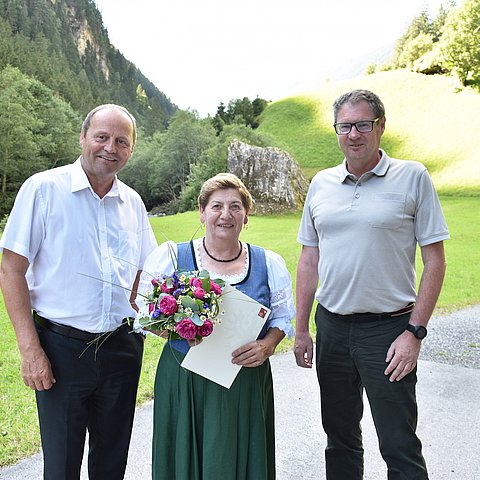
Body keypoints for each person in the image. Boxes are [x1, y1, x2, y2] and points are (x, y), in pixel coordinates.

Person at [294, 89, 449, 479]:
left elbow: (435, 260)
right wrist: (301, 329)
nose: (354, 134)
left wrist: (414, 332)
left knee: (398, 443)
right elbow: (308, 259)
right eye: (345, 126)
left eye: (363, 124)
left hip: (389, 331)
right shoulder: (322, 184)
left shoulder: (412, 177)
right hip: (331, 328)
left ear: (381, 126)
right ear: (336, 130)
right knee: (340, 438)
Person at [0, 104, 158, 480]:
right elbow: (11, 269)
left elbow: (145, 271)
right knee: (62, 465)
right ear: (83, 137)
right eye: (102, 137)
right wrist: (30, 349)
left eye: (122, 141)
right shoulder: (43, 189)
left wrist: (162, 319)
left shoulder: (132, 203)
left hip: (122, 347)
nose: (110, 147)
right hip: (61, 351)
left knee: (111, 461)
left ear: (131, 150)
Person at [135, 172, 295, 480]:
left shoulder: (268, 263)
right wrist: (177, 330)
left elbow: (280, 319)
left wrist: (267, 345)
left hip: (244, 379)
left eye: (235, 207)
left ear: (246, 216)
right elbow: (146, 313)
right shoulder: (172, 257)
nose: (226, 214)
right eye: (217, 206)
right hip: (185, 376)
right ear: (202, 211)